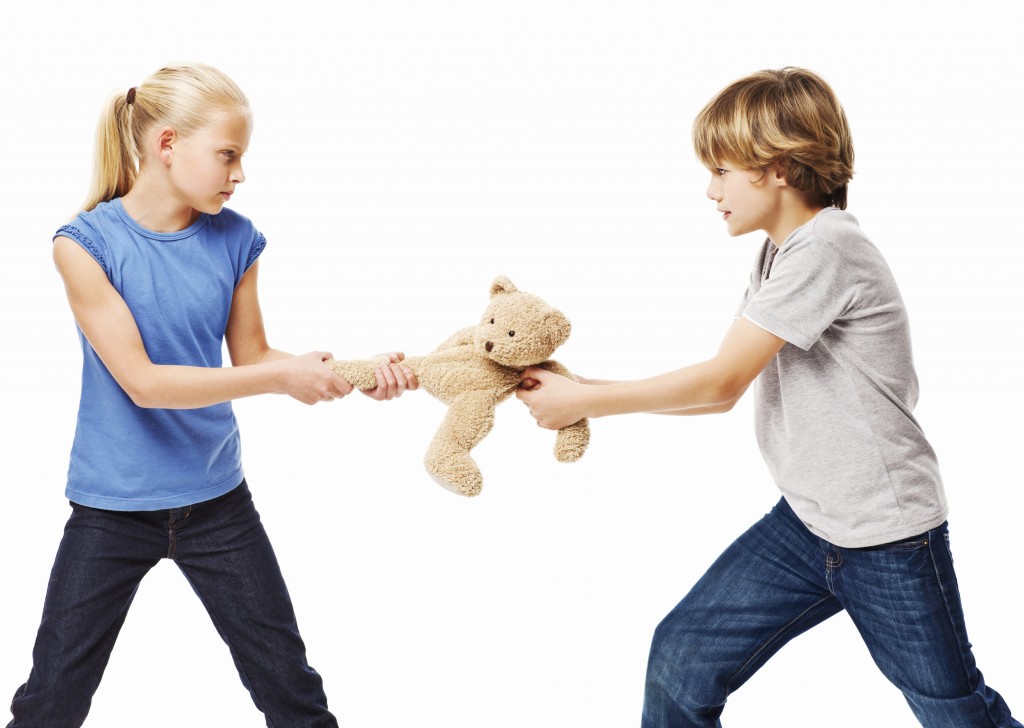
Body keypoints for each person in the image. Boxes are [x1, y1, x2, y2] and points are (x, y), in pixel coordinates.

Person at [516, 67, 1020, 727]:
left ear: (778, 168)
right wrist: (583, 393)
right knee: (680, 659)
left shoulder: (829, 248)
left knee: (952, 708)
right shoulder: (778, 253)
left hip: (888, 537)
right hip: (809, 525)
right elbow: (722, 385)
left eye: (722, 169)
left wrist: (586, 403)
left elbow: (720, 382)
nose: (709, 189)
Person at [6, 62, 417, 727]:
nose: (240, 173)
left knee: (292, 691)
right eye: (228, 154)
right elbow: (143, 382)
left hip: (217, 503)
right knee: (52, 701)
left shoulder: (236, 241)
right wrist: (281, 379)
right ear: (167, 145)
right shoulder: (83, 246)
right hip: (113, 506)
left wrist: (356, 373)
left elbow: (254, 357)